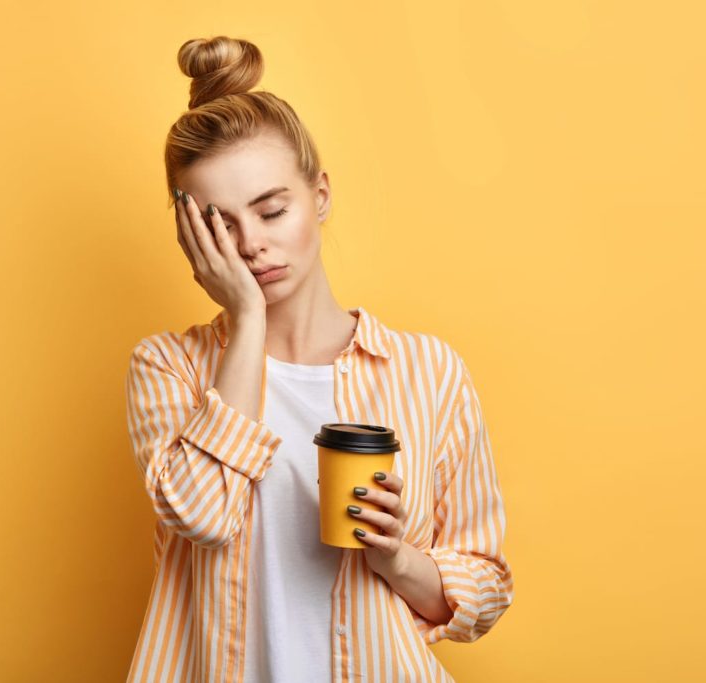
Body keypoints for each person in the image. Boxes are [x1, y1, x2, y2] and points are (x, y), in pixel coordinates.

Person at [125, 35, 514, 683]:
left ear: (321, 196)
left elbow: (487, 586)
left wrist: (397, 558)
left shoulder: (428, 371)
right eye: (221, 226)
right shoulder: (168, 367)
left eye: (272, 209)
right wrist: (247, 318)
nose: (251, 244)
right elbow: (205, 517)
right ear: (191, 236)